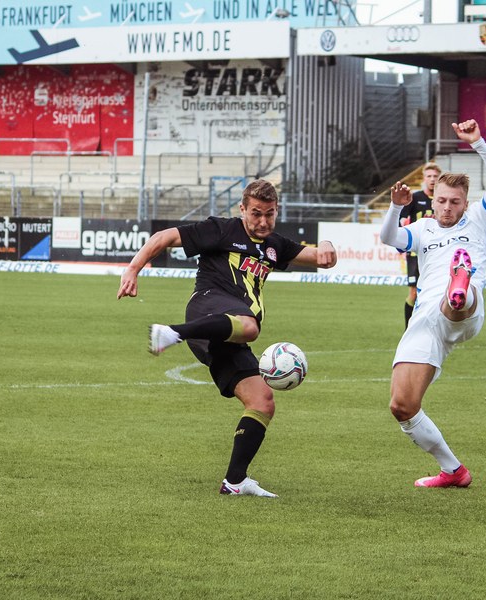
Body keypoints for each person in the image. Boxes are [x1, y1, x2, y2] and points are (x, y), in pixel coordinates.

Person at [117, 179, 338, 497]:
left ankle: (235, 482)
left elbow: (322, 258)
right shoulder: (221, 229)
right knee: (250, 326)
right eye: (256, 213)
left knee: (262, 401)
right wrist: (132, 269)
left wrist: (327, 245)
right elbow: (164, 237)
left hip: (228, 334)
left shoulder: (275, 246)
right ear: (242, 209)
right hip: (206, 311)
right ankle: (173, 332)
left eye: (270, 214)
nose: (263, 221)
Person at [379, 119, 486, 488]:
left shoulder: (479, 219)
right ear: (432, 198)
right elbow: (389, 238)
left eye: (455, 202)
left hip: (464, 311)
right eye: (441, 201)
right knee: (402, 405)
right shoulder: (423, 228)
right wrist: (395, 207)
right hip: (424, 322)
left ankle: (460, 284)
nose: (448, 207)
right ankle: (453, 470)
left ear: (466, 203)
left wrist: (478, 143)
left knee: (454, 302)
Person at [399, 162, 440, 328]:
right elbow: (402, 220)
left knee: (436, 292)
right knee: (414, 293)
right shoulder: (415, 198)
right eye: (429, 176)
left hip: (437, 252)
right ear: (424, 178)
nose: (432, 179)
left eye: (435, 176)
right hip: (416, 253)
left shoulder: (443, 200)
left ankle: (434, 328)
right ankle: (408, 329)